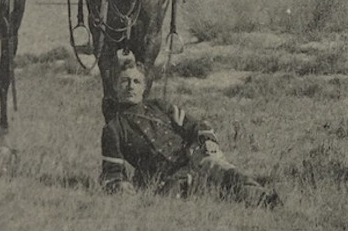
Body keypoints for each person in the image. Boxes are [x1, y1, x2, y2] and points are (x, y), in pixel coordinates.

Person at [100, 57, 279, 207]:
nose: (131, 86)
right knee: (172, 201)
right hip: (167, 177)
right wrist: (120, 186)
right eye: (125, 81)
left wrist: (208, 143)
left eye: (136, 81)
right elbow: (112, 172)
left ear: (144, 87)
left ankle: (264, 199)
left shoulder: (159, 107)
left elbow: (196, 126)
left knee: (218, 168)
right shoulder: (113, 129)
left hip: (193, 158)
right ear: (116, 86)